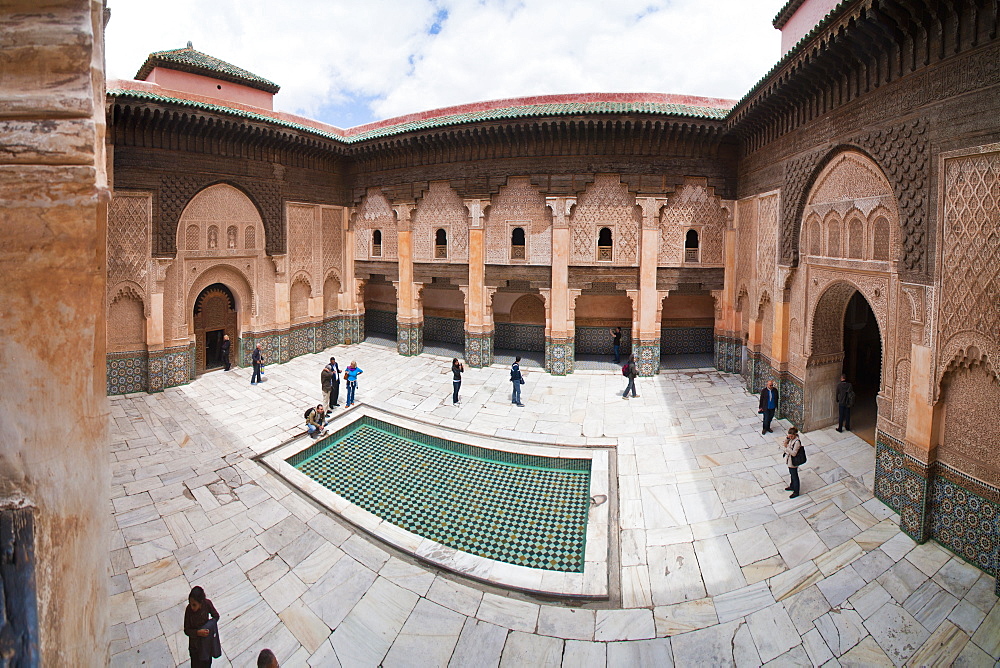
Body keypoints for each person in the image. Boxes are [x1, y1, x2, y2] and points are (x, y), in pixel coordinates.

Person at [184, 586, 221, 668]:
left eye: (194, 605)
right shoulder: (188, 610)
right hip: (195, 646)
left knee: (206, 664)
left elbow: (216, 616)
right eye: (190, 603)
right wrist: (197, 632)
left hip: (206, 643)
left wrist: (208, 627)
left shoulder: (207, 604)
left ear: (201, 602)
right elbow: (187, 630)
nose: (192, 607)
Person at [781, 427, 804, 498]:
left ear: (795, 435)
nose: (790, 437)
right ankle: (792, 486)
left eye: (791, 436)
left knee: (794, 476)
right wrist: (787, 439)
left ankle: (796, 491)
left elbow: (794, 453)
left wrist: (787, 447)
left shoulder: (797, 442)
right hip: (789, 460)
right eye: (789, 436)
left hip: (793, 461)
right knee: (792, 474)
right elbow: (785, 443)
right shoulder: (791, 439)